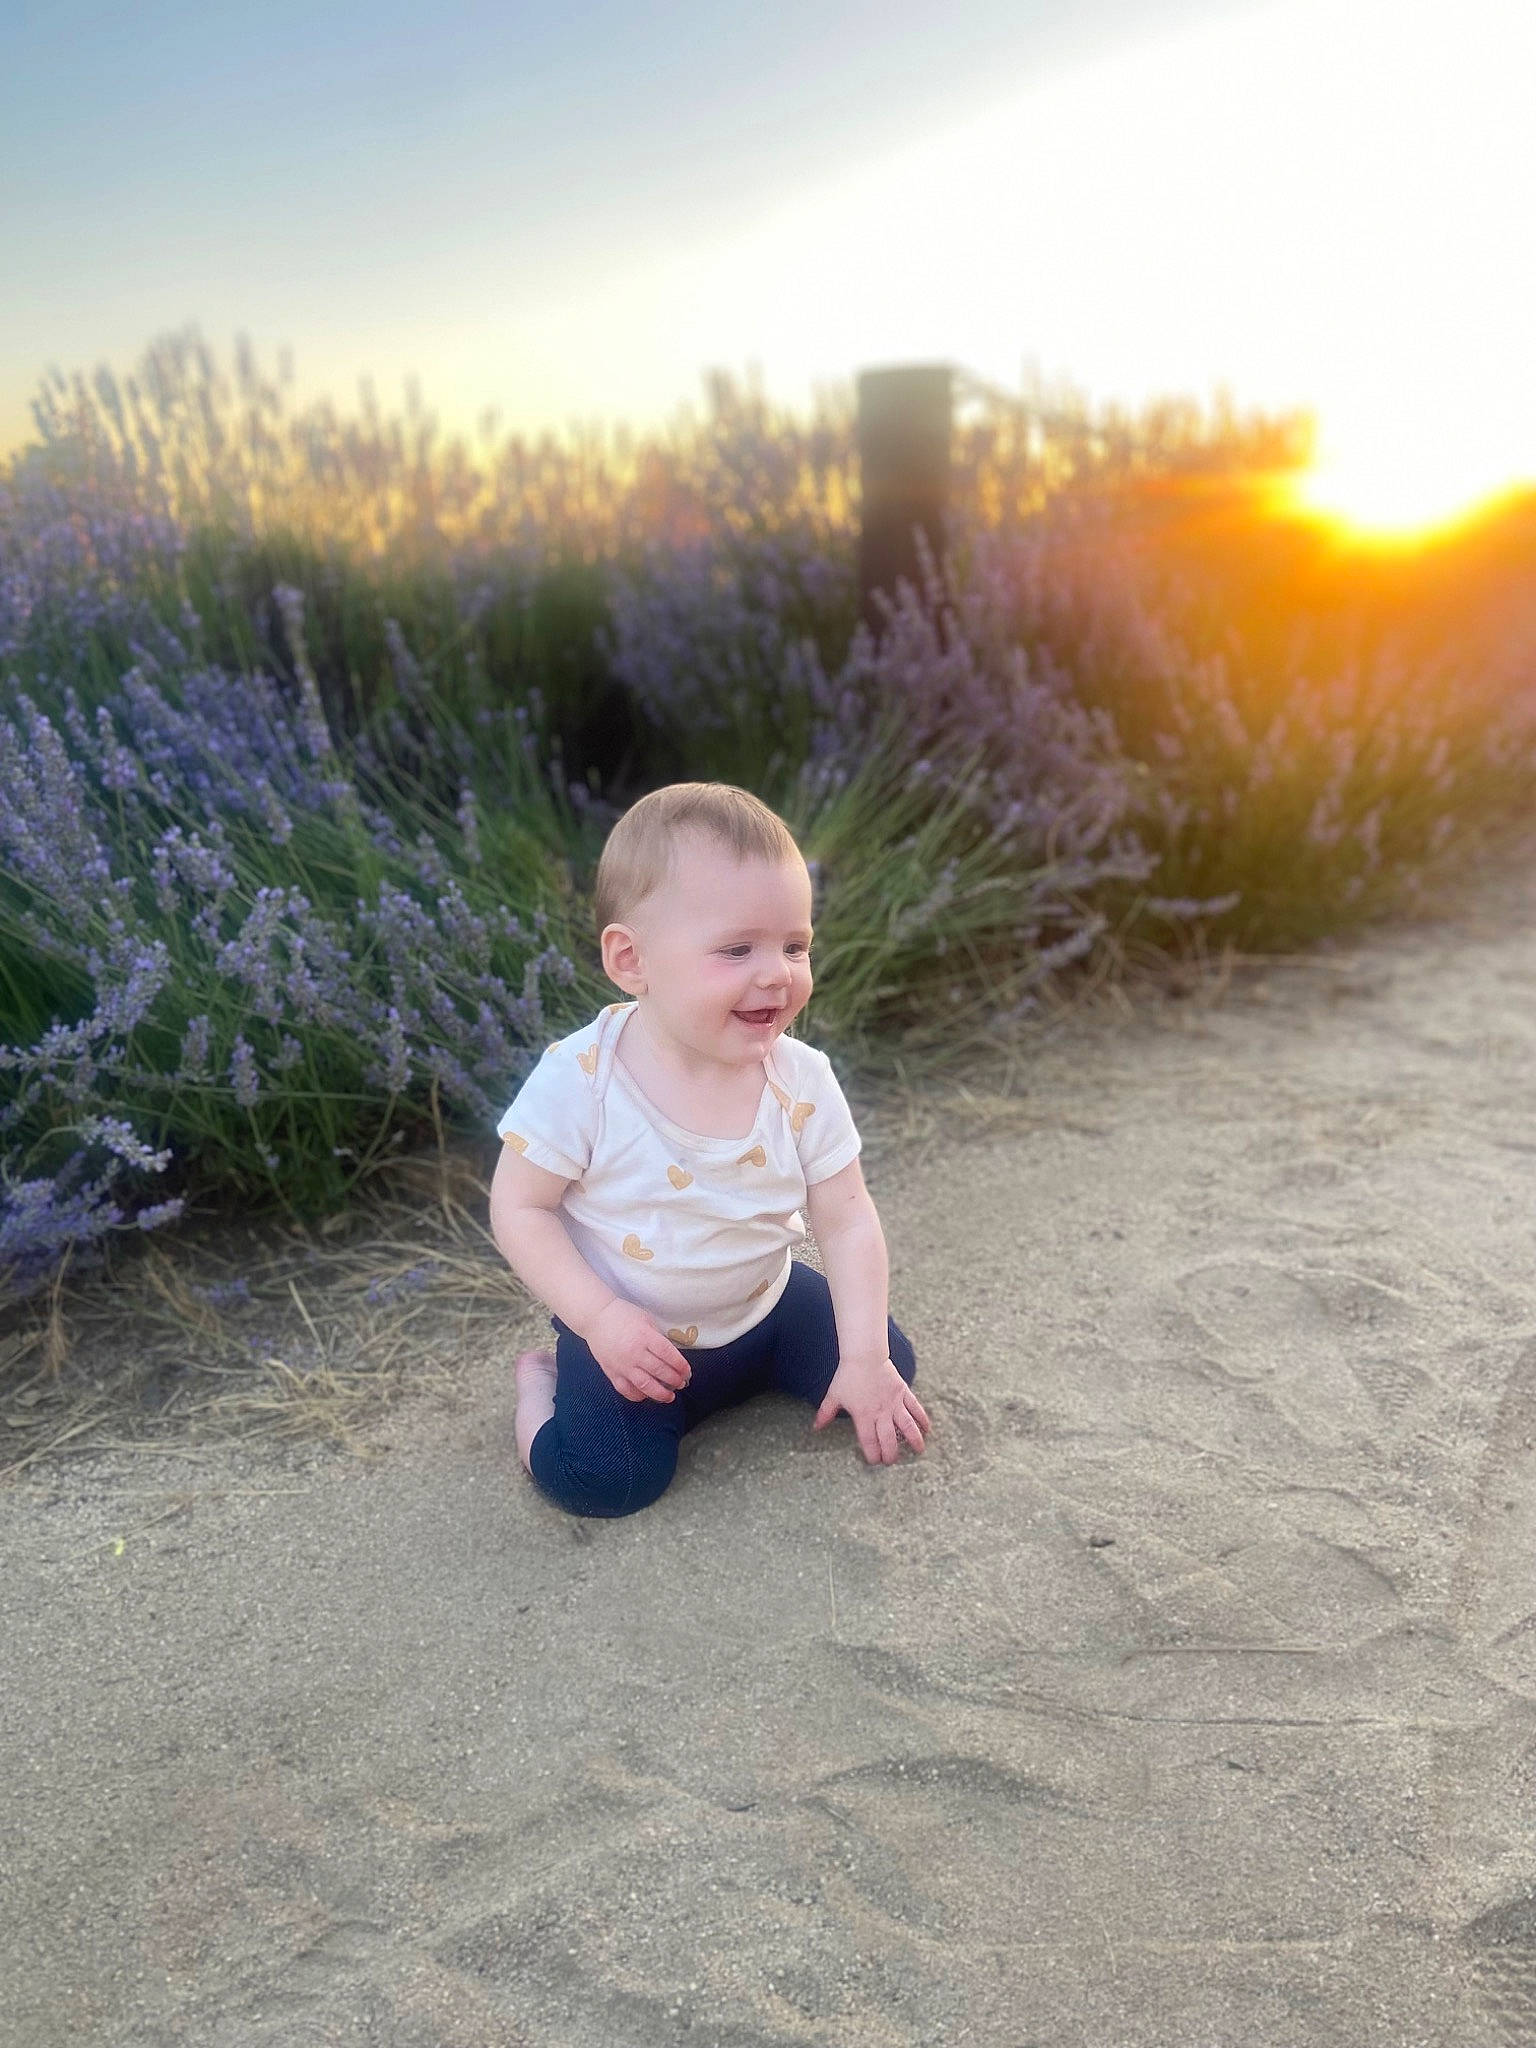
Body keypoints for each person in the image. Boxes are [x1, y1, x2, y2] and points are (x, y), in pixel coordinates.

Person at [488, 780, 930, 1518]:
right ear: (632, 961)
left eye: (795, 945)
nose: (776, 972)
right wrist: (597, 1318)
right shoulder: (583, 1080)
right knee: (603, 1481)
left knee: (889, 1364)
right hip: (636, 1338)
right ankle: (540, 1388)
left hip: (764, 1306)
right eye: (736, 949)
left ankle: (768, 1373)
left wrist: (864, 1358)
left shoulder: (801, 1079)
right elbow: (519, 1207)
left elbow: (848, 1217)